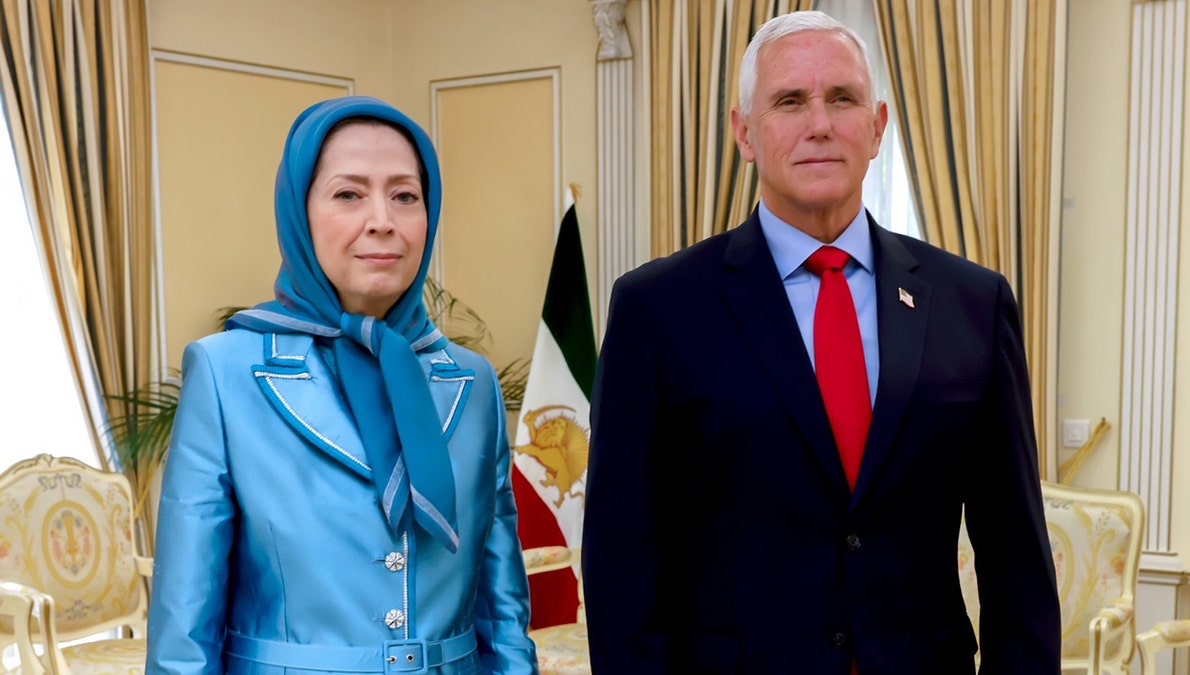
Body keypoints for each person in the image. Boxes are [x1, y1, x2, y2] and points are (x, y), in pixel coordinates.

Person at [582, 10, 1060, 675]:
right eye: (789, 101)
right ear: (744, 133)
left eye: (842, 98)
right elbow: (622, 566)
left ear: (878, 126)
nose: (820, 124)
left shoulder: (972, 303)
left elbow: (1017, 558)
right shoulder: (657, 309)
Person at [146, 96, 538, 674]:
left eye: (405, 195)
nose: (381, 218)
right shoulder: (225, 373)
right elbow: (184, 629)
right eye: (349, 194)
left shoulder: (471, 380)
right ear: (298, 213)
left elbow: (502, 611)